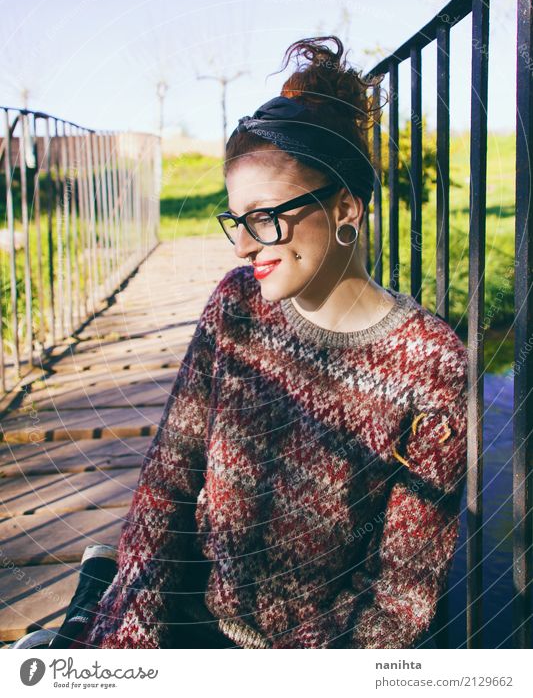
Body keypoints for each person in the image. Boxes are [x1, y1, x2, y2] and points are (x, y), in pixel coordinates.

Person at [77, 35, 468, 650]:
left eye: (264, 218)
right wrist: (133, 635)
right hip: (197, 611)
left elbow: (400, 596)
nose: (243, 246)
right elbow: (169, 479)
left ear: (345, 207)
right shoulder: (237, 304)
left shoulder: (430, 361)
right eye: (237, 220)